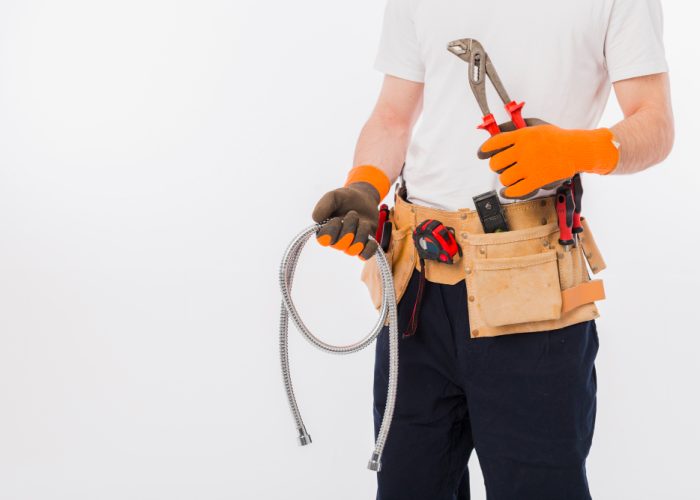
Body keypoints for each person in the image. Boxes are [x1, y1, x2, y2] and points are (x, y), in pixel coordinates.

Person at [310, 1, 674, 499]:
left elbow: (655, 125)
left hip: (532, 294)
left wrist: (575, 149)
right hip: (416, 290)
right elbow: (393, 118)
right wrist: (366, 186)